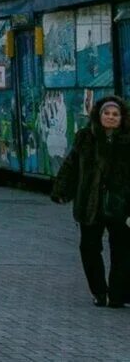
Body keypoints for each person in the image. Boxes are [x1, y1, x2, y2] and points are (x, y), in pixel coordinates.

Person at [52, 95, 130, 307]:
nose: (111, 117)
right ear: (99, 115)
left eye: (115, 114)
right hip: (90, 203)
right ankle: (99, 291)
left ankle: (118, 294)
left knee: (122, 250)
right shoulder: (85, 137)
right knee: (89, 247)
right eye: (107, 113)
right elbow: (71, 166)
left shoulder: (127, 140)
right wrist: (61, 191)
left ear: (122, 118)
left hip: (121, 205)